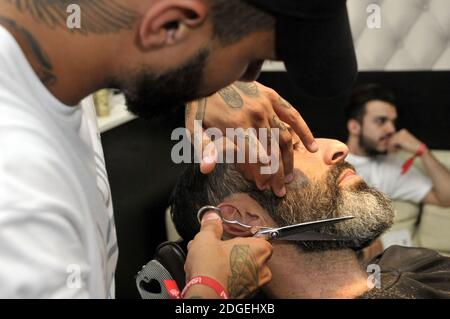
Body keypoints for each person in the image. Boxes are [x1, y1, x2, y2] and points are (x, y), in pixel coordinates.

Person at [0, 0, 357, 298]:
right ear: (169, 26)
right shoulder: (20, 197)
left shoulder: (45, 66)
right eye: (249, 61)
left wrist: (195, 79)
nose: (245, 83)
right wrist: (207, 293)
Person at [170, 130, 450, 298]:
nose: (339, 147)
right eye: (290, 150)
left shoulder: (417, 264)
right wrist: (205, 288)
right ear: (244, 218)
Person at [345, 83, 450, 207]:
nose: (391, 129)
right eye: (381, 121)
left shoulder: (392, 167)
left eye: (393, 122)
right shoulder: (330, 160)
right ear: (354, 127)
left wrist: (423, 151)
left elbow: (446, 198)